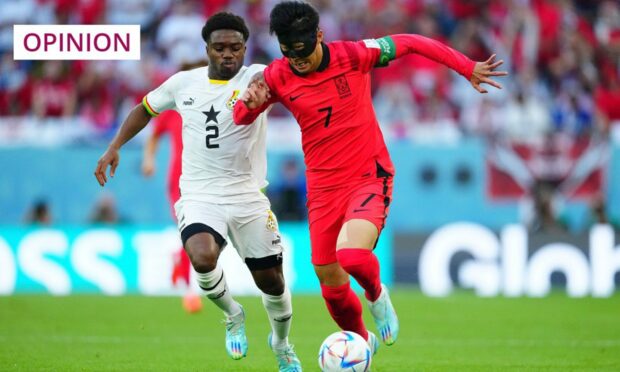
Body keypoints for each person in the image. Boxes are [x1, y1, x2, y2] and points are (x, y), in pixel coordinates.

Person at [234, 0, 507, 356]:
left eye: (304, 54)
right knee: (330, 285)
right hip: (322, 187)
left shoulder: (355, 55)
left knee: (351, 257)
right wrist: (249, 102)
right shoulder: (277, 75)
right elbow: (241, 117)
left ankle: (378, 296)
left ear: (319, 35)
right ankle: (362, 342)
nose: (298, 63)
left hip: (367, 174)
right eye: (290, 55)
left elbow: (411, 42)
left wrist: (466, 66)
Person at [94, 12, 301, 372]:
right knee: (202, 257)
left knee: (273, 283)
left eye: (235, 48)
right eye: (219, 47)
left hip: (248, 196)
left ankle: (281, 344)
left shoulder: (259, 76)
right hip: (199, 195)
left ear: (244, 48)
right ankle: (233, 314)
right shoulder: (182, 84)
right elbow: (144, 110)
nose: (227, 54)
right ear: (206, 48)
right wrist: (115, 146)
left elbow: (302, 89)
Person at [142, 107, 202, 313]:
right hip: (179, 181)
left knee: (206, 233)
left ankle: (180, 261)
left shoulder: (210, 101)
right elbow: (154, 135)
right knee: (190, 231)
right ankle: (188, 290)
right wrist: (149, 160)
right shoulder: (173, 109)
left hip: (206, 181)